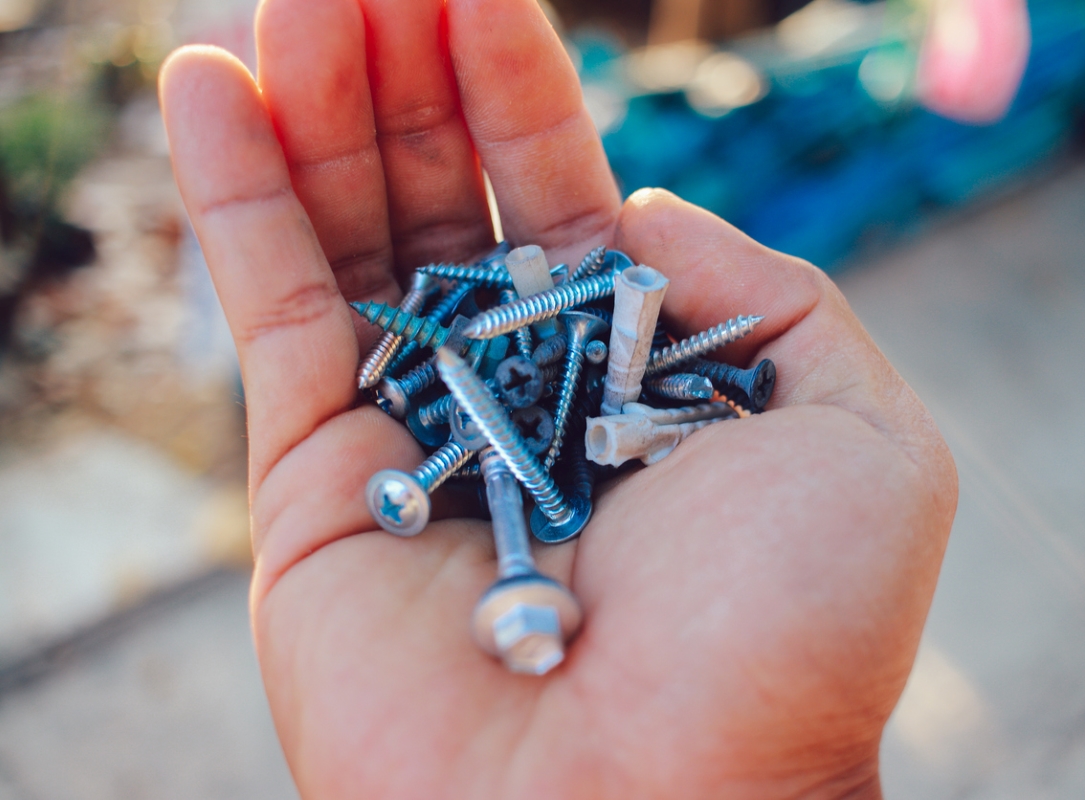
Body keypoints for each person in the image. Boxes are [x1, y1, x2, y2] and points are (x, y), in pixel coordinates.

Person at [158, 0, 958, 795]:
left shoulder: (571, 352)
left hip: (552, 413)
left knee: (544, 405)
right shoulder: (461, 361)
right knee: (501, 402)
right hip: (493, 395)